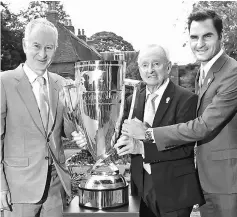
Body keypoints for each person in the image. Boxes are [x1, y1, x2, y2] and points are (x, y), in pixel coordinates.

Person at [122, 10, 237, 217]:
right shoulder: (204, 73)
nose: (199, 43)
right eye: (194, 37)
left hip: (226, 182)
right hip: (204, 180)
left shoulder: (233, 72)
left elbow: (202, 126)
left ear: (221, 36)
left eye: (207, 36)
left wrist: (147, 135)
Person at [0, 18, 86, 217]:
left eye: (48, 47)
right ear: (24, 45)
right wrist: (1, 186)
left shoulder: (62, 83)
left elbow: (67, 128)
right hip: (18, 188)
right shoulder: (4, 83)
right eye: (36, 46)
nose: (42, 54)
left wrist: (79, 134)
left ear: (55, 49)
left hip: (55, 186)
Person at [115, 44, 205, 217]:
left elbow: (185, 148)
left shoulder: (186, 99)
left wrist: (141, 148)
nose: (150, 70)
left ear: (168, 67)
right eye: (145, 65)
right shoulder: (132, 99)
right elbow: (121, 134)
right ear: (139, 68)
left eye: (156, 64)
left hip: (174, 191)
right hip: (141, 188)